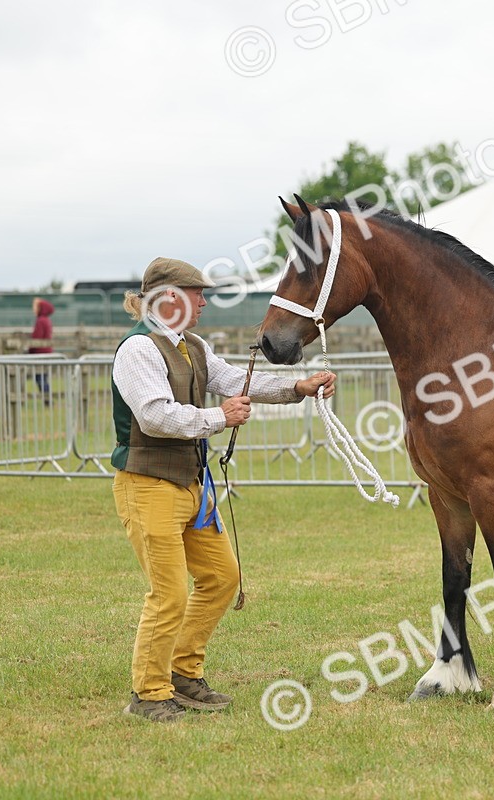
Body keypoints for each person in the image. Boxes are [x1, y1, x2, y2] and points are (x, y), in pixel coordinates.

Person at [112, 257, 337, 724]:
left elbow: (234, 380)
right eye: (196, 293)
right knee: (169, 593)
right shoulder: (137, 351)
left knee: (221, 578)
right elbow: (155, 415)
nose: (204, 301)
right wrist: (220, 419)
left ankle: (183, 671)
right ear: (168, 297)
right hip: (148, 486)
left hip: (191, 485)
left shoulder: (191, 345)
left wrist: (297, 386)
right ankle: (150, 692)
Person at [29, 298, 55, 404]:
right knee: (43, 377)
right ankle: (47, 399)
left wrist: (30, 350)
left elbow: (36, 338)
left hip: (40, 353)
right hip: (46, 352)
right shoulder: (46, 320)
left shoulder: (40, 321)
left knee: (40, 378)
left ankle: (48, 400)